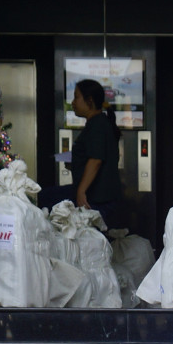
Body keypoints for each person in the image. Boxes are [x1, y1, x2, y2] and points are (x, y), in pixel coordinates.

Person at [68, 78, 128, 230]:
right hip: (99, 196)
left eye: (76, 97)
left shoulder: (98, 125)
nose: (72, 102)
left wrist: (81, 191)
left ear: (89, 101)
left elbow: (96, 160)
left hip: (98, 198)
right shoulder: (98, 124)